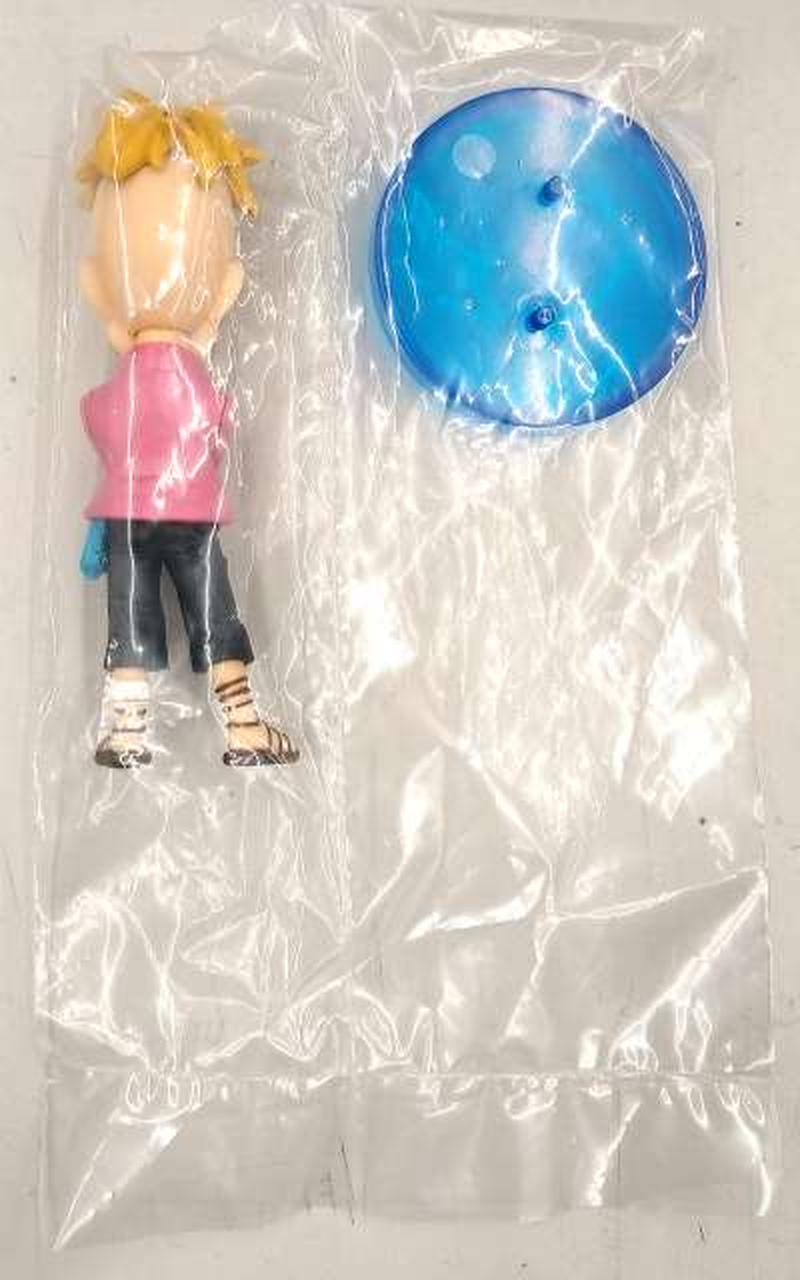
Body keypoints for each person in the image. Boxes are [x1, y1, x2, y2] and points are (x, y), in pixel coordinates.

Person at [77, 91, 299, 769]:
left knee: (130, 616)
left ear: (94, 285)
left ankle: (127, 729)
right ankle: (242, 724)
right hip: (192, 520)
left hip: (125, 518)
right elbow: (214, 422)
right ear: (226, 287)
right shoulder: (189, 374)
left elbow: (100, 419)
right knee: (213, 614)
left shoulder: (126, 378)